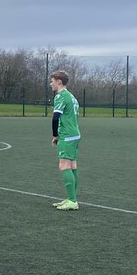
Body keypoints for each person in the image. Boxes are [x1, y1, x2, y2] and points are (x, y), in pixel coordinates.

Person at [50, 70, 82, 211]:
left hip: (67, 135)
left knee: (64, 165)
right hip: (75, 133)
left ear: (59, 81)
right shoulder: (72, 97)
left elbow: (56, 118)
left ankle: (72, 200)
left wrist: (55, 135)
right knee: (72, 165)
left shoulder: (61, 96)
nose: (50, 83)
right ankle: (71, 198)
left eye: (52, 81)